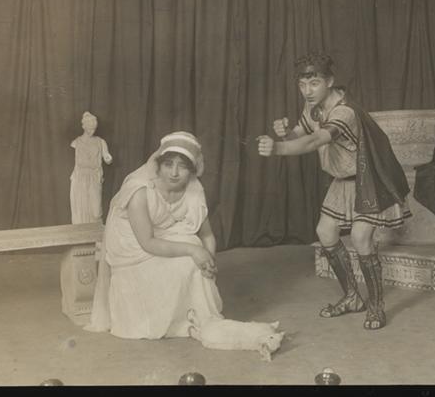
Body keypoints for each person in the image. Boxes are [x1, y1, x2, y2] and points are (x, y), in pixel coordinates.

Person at [257, 53, 410, 329]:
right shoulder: (313, 106)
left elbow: (315, 140)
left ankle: (376, 306)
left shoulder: (344, 112)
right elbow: (300, 134)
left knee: (361, 238)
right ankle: (352, 297)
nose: (307, 91)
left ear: (330, 81)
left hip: (368, 180)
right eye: (302, 85)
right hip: (342, 181)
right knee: (325, 232)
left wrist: (277, 148)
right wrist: (285, 134)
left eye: (314, 83)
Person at [85, 131, 223, 339]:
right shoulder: (140, 190)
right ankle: (164, 320)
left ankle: (191, 318)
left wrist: (209, 262)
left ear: (192, 169)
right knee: (191, 252)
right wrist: (194, 251)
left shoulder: (194, 189)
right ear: (158, 165)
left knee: (195, 250)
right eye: (168, 164)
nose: (174, 173)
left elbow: (207, 235)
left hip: (163, 236)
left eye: (182, 166)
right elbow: (147, 243)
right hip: (132, 247)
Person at [70, 112, 113, 224]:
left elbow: (107, 157)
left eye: (94, 129)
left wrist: (108, 158)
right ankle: (80, 232)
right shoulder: (76, 142)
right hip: (79, 178)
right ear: (84, 127)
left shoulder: (100, 142)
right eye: (90, 128)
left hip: (94, 177)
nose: (92, 131)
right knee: (80, 209)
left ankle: (95, 231)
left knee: (96, 210)